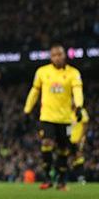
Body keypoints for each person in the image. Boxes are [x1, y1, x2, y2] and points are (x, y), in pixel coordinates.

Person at [24, 44, 84, 190]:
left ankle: (62, 181)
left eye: (60, 54)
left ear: (65, 55)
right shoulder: (42, 72)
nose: (57, 57)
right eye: (54, 55)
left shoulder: (73, 73)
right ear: (50, 57)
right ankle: (47, 177)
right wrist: (27, 110)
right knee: (47, 143)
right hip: (47, 117)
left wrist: (79, 106)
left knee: (63, 149)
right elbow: (34, 91)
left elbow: (77, 91)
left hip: (65, 118)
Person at [69, 106, 89, 185]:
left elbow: (85, 124)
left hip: (79, 138)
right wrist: (67, 137)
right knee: (73, 158)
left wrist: (80, 138)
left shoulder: (81, 111)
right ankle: (77, 177)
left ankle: (81, 177)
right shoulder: (68, 111)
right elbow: (68, 126)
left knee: (79, 155)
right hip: (71, 139)